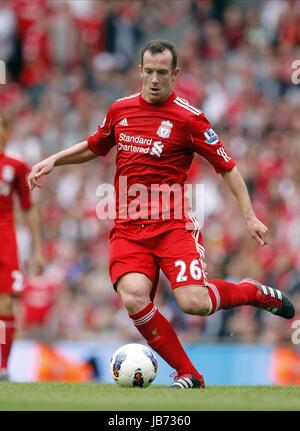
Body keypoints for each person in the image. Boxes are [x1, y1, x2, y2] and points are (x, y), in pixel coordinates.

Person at [28, 40, 295, 389]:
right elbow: (95, 146)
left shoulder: (190, 118)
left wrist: (249, 216)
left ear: (175, 74)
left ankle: (251, 292)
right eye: (149, 72)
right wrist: (54, 160)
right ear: (140, 71)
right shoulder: (120, 109)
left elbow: (227, 167)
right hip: (127, 228)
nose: (154, 79)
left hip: (172, 226)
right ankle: (190, 374)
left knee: (194, 304)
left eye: (162, 73)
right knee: (134, 296)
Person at [0, 113, 44, 380]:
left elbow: (29, 207)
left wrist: (37, 249)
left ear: (7, 132)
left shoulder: (15, 166)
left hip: (5, 239)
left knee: (5, 303)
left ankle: (3, 366)